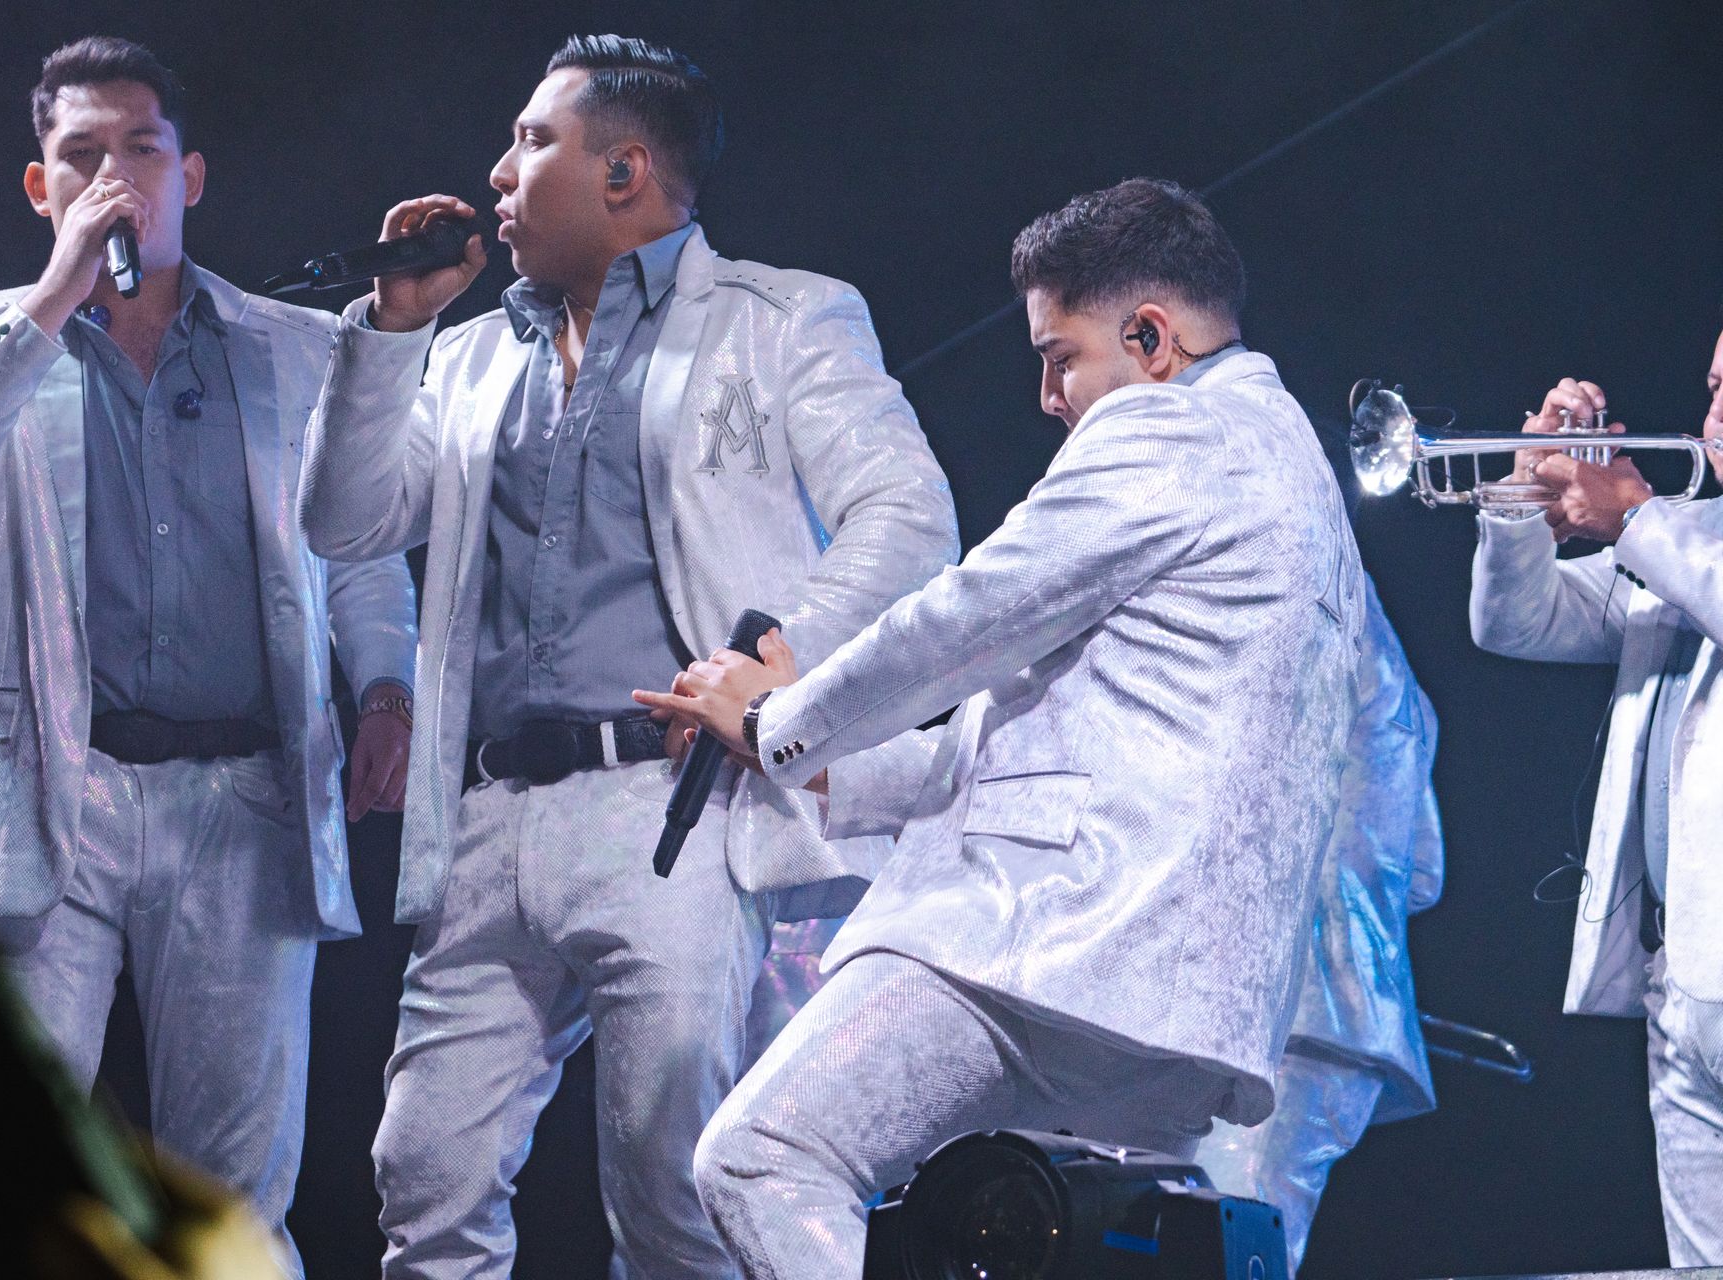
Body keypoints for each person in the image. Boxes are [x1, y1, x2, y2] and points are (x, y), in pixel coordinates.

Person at [299, 34, 957, 1278]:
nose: (498, 171)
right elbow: (343, 520)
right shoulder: (472, 351)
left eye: (535, 140)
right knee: (421, 1176)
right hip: (489, 815)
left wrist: (775, 666)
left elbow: (910, 519)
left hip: (668, 806)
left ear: (627, 172)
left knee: (671, 1192)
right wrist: (388, 331)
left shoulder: (783, 317)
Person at [637, 177, 1364, 1278]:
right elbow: (1029, 734)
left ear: (1150, 337)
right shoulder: (1293, 474)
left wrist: (781, 717)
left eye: (1060, 355)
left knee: (761, 1156)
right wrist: (816, 764)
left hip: (1049, 942)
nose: (1046, 395)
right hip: (1182, 1001)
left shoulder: (1170, 431)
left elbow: (964, 618)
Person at [0, 37, 417, 1278]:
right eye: (82, 154)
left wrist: (386, 686)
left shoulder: (294, 345)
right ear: (39, 186)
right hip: (42, 801)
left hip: (248, 800)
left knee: (232, 1204)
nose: (116, 175)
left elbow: (366, 543)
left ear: (193, 174)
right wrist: (51, 299)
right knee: (9, 1195)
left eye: (142, 149)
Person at [1468, 352, 1723, 1265]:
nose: (1713, 412)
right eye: (1711, 387)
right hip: (1683, 988)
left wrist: (1639, 519)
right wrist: (1520, 500)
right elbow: (1517, 622)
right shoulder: (1690, 541)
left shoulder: (1678, 544)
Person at [1195, 572, 1444, 1275]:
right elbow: (1422, 880)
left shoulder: (1298, 631)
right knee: (1257, 1240)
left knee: (1221, 1237)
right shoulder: (1408, 701)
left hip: (1272, 1006)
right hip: (1354, 1027)